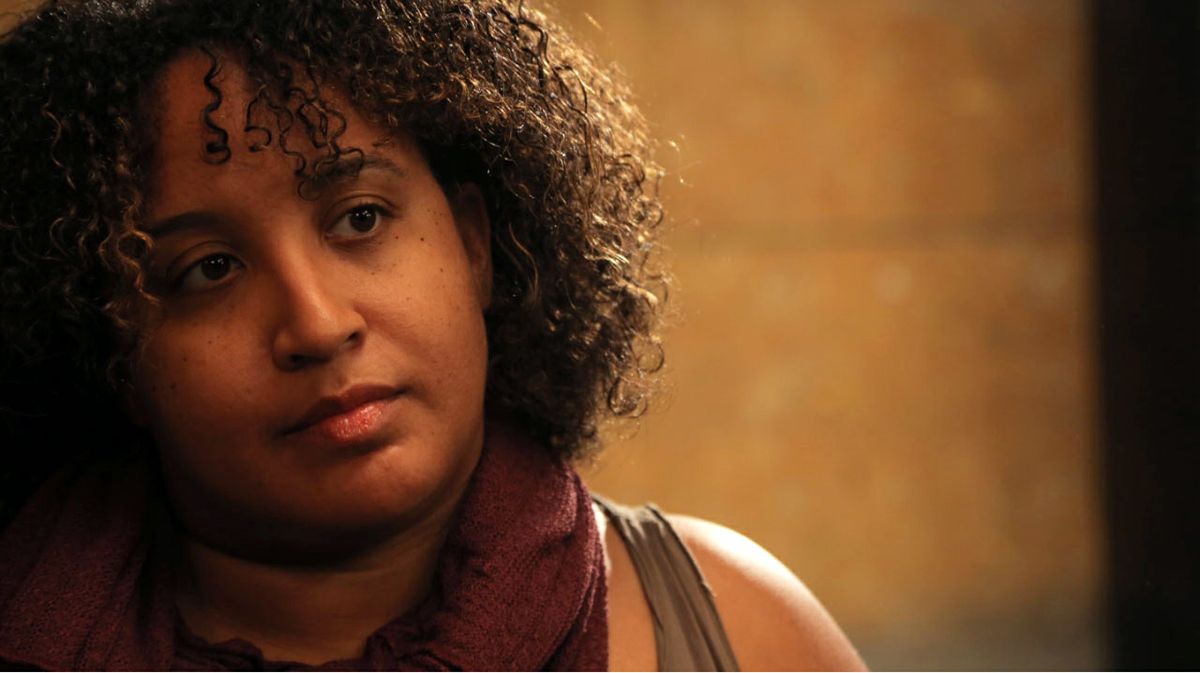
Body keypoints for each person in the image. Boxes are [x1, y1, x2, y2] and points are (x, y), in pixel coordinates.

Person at [0, 0, 865, 669]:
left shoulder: (735, 628)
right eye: (209, 270)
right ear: (118, 357)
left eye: (360, 217)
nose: (316, 323)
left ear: (475, 246)